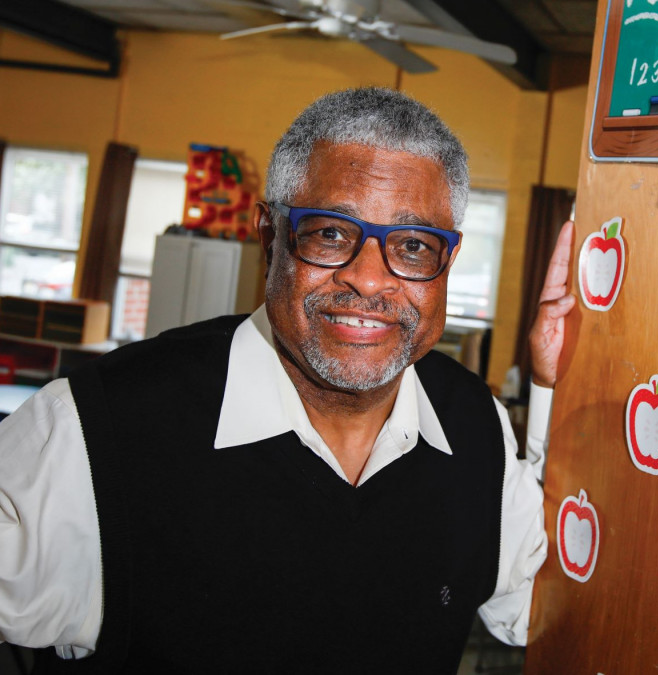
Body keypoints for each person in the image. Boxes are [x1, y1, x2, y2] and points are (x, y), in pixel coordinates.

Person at [0, 87, 576, 673]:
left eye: (411, 245)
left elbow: (534, 607)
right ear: (270, 237)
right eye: (330, 233)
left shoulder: (475, 425)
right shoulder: (102, 427)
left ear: (446, 263)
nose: (370, 280)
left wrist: (567, 384)